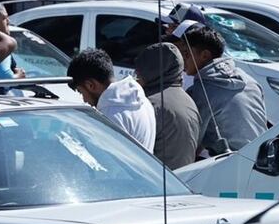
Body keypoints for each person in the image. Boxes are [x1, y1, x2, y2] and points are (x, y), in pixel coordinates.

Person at [172, 25, 267, 155]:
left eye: (186, 54)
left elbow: (191, 144)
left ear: (205, 55)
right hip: (263, 159)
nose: (181, 60)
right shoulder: (249, 80)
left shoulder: (201, 91)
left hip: (231, 164)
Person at [67, 49, 155, 151]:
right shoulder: (142, 100)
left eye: (80, 92)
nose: (84, 99)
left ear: (90, 85)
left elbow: (107, 161)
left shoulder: (110, 114)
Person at [134, 43, 201, 169]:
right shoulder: (190, 101)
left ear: (149, 70)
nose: (137, 74)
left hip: (153, 182)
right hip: (181, 182)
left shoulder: (150, 103)